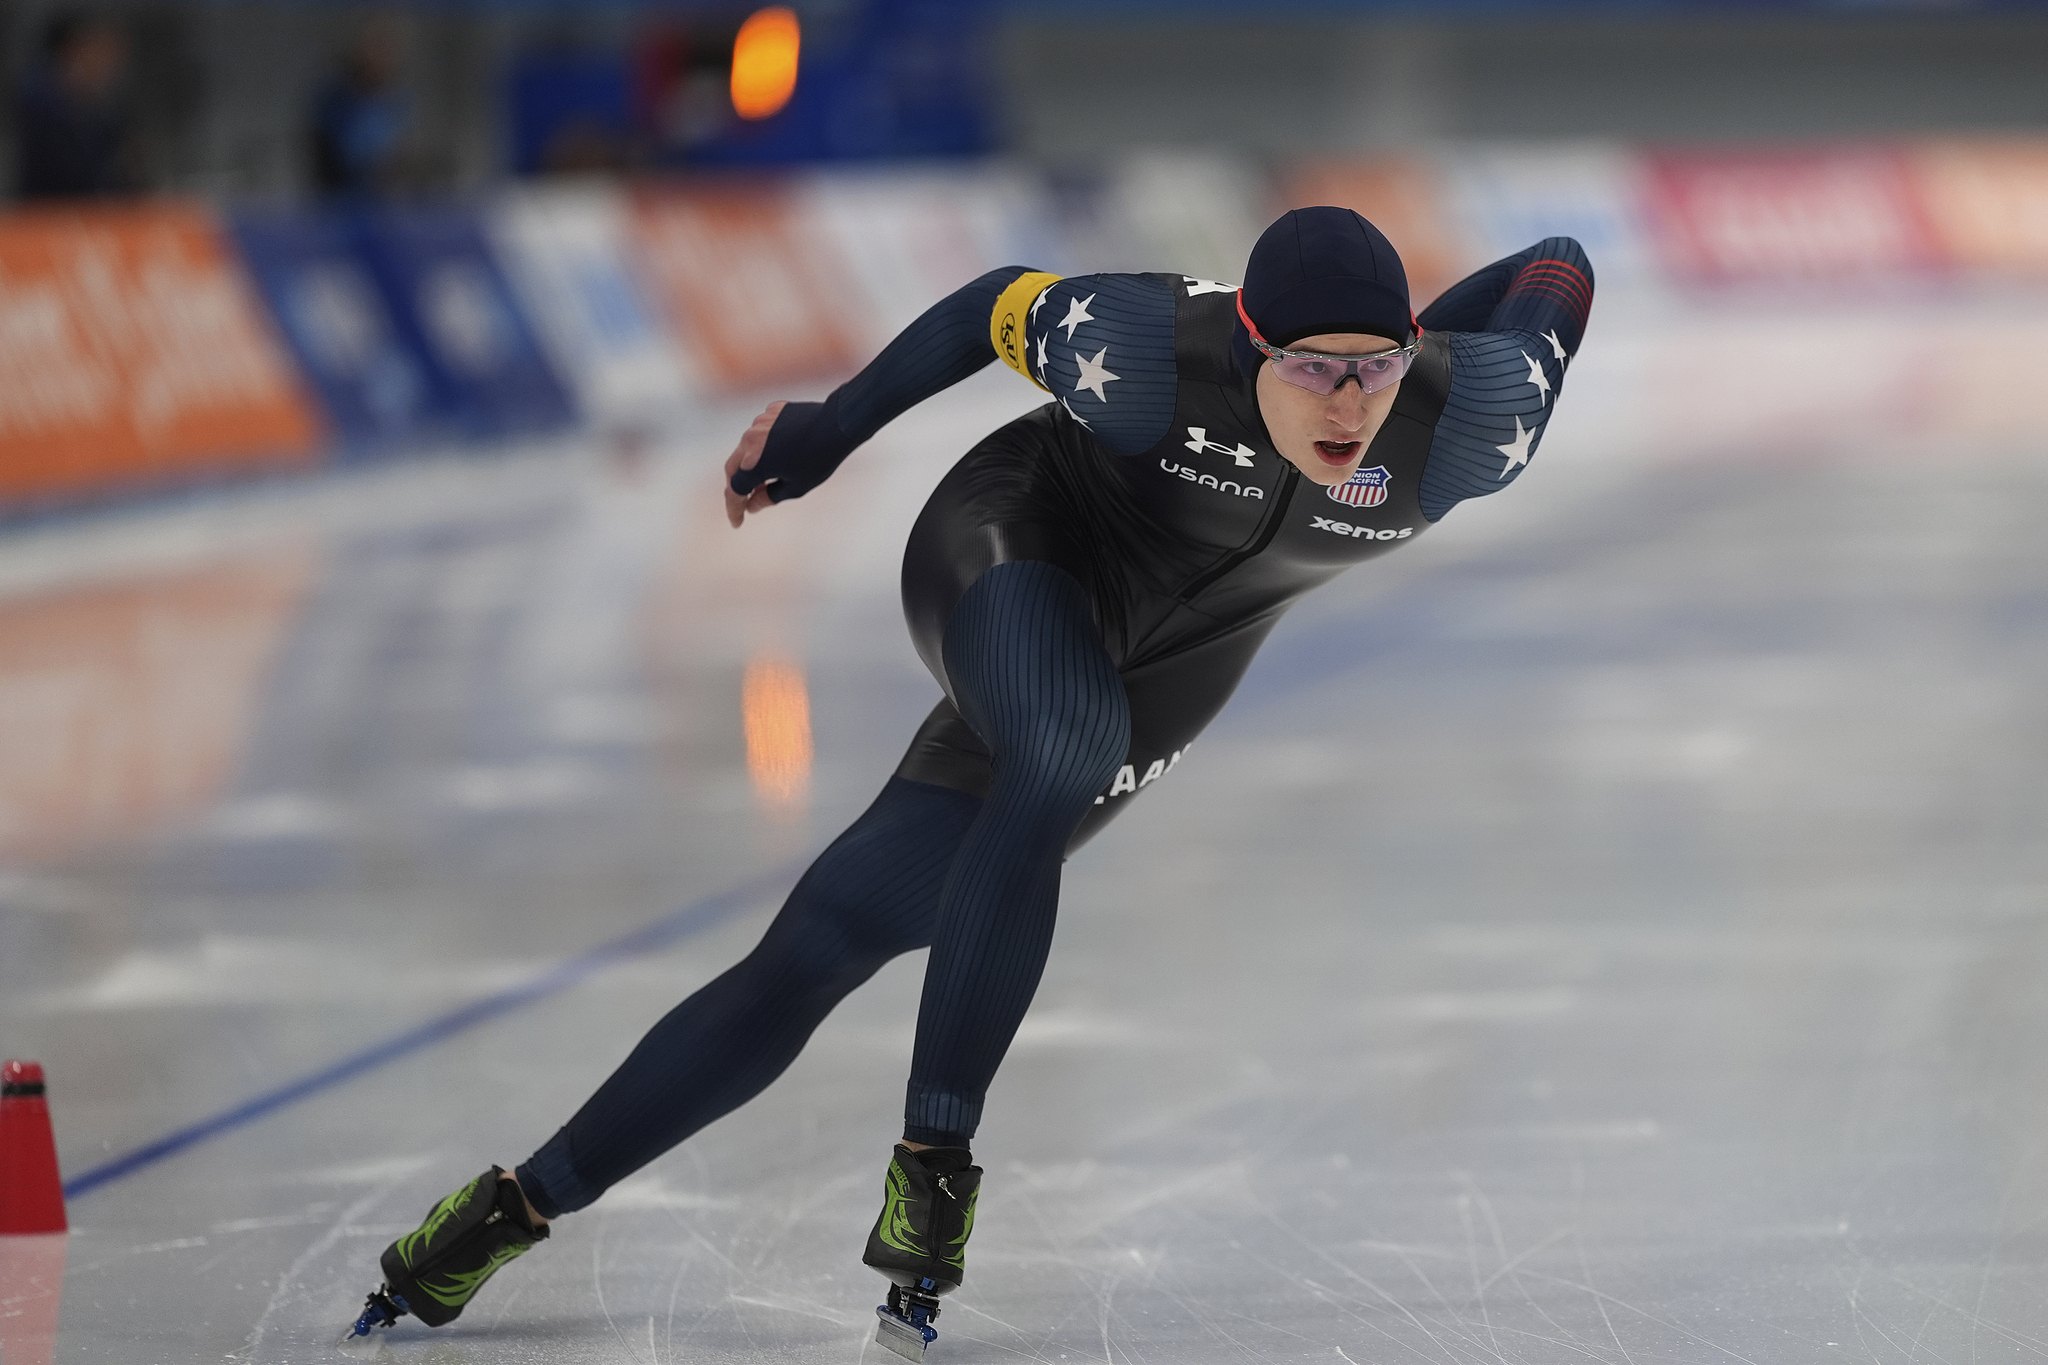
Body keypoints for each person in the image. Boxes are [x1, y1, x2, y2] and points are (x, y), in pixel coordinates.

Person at [349, 207, 1594, 1350]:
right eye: (1312, 367)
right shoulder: (1149, 348)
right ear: (1251, 346)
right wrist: (826, 431)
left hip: (1177, 665)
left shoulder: (1472, 421)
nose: (1347, 402)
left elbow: (1557, 265)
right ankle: (933, 1163)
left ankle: (509, 1210)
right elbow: (990, 300)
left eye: (1372, 367)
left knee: (829, 935)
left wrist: (1414, 333)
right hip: (1017, 541)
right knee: (1060, 741)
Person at [13, 12, 135, 200]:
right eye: (101, 53)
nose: (109, 67)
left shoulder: (105, 115)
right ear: (74, 50)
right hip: (46, 217)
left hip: (92, 218)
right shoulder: (38, 107)